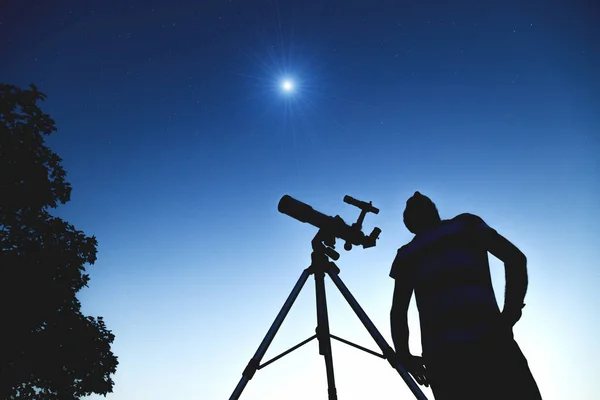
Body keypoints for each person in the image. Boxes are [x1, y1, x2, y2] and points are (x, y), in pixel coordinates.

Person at [390, 191, 542, 400]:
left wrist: (405, 356)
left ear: (408, 223)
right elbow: (515, 259)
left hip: (447, 360)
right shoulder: (465, 225)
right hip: (490, 344)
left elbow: (398, 311)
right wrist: (509, 315)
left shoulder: (407, 254)